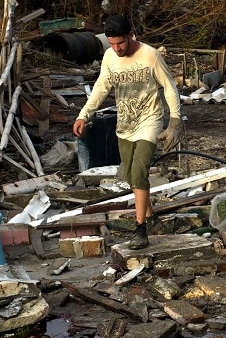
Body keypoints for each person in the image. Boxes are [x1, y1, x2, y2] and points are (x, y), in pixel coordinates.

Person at [73, 15, 183, 249]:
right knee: (132, 177)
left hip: (149, 120)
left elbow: (169, 87)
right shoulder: (110, 57)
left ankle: (140, 229)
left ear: (131, 35)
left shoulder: (150, 55)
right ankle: (152, 218)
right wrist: (84, 114)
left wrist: (174, 121)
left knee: (140, 170)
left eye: (120, 43)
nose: (116, 48)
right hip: (125, 124)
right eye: (111, 44)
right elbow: (102, 87)